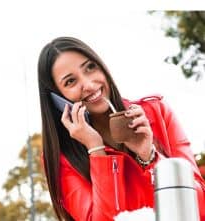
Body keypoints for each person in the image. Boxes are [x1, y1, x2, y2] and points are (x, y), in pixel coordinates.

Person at [37, 36, 205, 221]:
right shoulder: (62, 156)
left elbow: (199, 204)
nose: (89, 85)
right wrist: (96, 149)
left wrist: (149, 156)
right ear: (57, 99)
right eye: (70, 81)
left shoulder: (156, 112)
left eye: (90, 67)